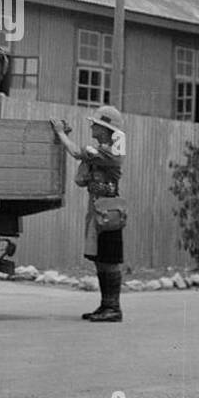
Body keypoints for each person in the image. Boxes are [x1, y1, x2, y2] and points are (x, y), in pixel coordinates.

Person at [51, 105, 127, 322]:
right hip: (98, 207)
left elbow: (76, 152)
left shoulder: (112, 151)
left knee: (109, 258)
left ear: (106, 129)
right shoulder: (101, 150)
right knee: (100, 258)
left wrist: (60, 133)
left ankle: (113, 308)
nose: (92, 126)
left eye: (96, 124)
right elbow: (81, 179)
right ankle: (106, 306)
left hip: (108, 209)